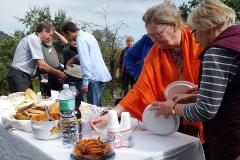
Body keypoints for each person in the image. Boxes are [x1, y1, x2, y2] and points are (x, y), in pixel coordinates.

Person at [92, 1, 204, 142]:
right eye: (151, 36)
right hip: (170, 119)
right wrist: (112, 115)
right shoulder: (155, 53)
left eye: (158, 34)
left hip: (204, 115)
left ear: (175, 26)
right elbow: (140, 90)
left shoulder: (200, 41)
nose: (155, 40)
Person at [148, 1, 240, 159]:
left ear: (208, 26)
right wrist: (197, 94)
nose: (195, 38)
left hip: (232, 139)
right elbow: (232, 90)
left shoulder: (217, 52)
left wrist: (173, 107)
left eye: (196, 31)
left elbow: (205, 111)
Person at [62, 22, 112, 106]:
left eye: (67, 36)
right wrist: (74, 58)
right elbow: (89, 53)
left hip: (93, 77)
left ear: (69, 32)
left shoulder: (80, 39)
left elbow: (85, 61)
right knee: (98, 107)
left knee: (92, 108)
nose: (68, 39)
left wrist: (85, 82)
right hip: (102, 75)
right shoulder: (88, 35)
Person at [7, 22, 66, 93]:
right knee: (24, 102)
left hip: (23, 76)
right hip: (19, 76)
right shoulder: (34, 39)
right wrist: (58, 73)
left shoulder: (35, 40)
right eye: (50, 35)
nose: (50, 38)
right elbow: (41, 65)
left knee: (30, 100)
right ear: (44, 31)